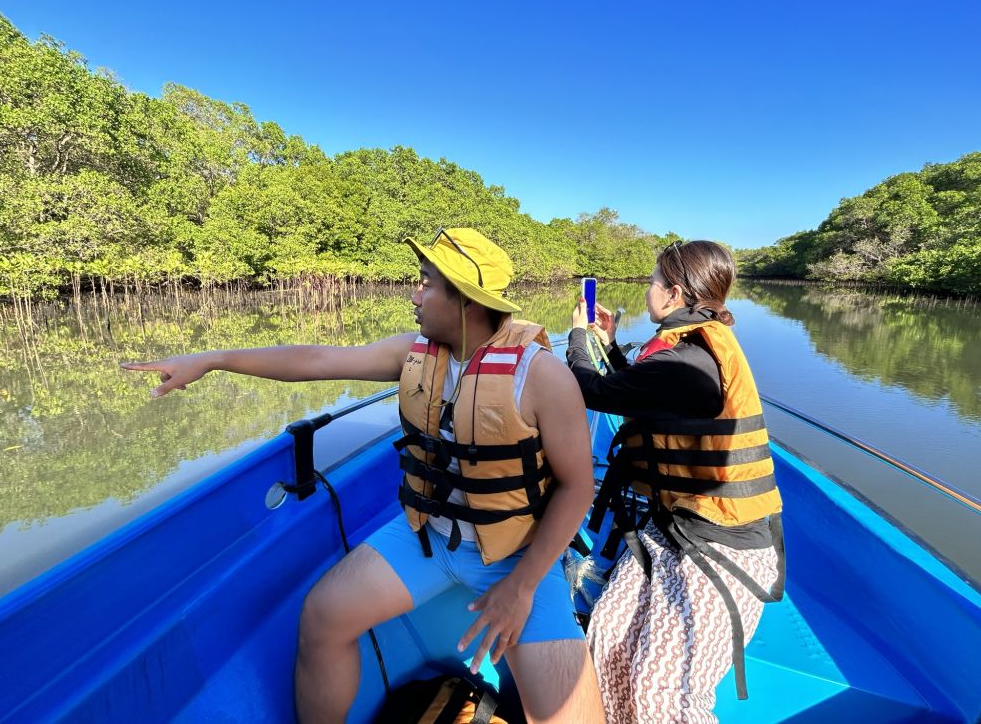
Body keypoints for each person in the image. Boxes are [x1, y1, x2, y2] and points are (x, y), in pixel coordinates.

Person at [123, 228, 606, 724]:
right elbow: (316, 358)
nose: (413, 295)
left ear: (465, 301)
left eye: (425, 284)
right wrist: (212, 359)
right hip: (427, 538)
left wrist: (522, 586)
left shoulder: (542, 375)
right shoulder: (414, 355)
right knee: (322, 616)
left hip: (518, 555)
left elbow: (577, 487)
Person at [565, 240, 784, 724]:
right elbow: (647, 395)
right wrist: (611, 342)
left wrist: (577, 338)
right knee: (608, 635)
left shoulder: (689, 360)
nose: (649, 290)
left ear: (674, 293)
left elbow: (592, 390)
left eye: (652, 282)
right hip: (674, 526)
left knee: (659, 691)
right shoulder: (688, 349)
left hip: (721, 544)